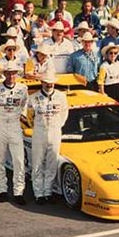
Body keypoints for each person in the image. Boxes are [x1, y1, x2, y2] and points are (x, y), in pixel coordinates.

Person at [26, 66, 68, 205]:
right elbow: (29, 117)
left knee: (52, 163)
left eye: (51, 82)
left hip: (55, 132)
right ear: (42, 83)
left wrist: (56, 126)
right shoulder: (33, 98)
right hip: (39, 132)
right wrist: (38, 127)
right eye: (46, 82)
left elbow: (64, 114)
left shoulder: (61, 97)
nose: (49, 84)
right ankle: (39, 193)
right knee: (37, 163)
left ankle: (48, 192)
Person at [0, 59, 28, 204]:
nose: (11, 76)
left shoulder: (22, 89)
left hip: (14, 125)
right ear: (4, 74)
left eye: (13, 73)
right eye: (8, 73)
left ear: (17, 74)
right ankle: (2, 190)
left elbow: (25, 105)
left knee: (18, 160)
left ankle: (18, 192)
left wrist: (22, 116)